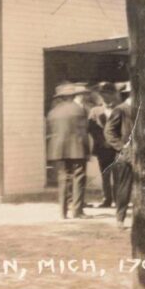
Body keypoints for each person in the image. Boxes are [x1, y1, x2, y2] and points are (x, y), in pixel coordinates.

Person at [46, 82, 90, 220]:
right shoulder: (79, 110)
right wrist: (87, 149)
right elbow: (84, 131)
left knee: (63, 178)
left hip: (58, 149)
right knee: (79, 178)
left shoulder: (52, 112)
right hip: (77, 148)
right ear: (73, 96)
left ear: (61, 97)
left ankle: (62, 212)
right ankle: (77, 211)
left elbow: (49, 132)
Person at [105, 82, 135, 229]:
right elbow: (109, 132)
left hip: (143, 153)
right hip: (125, 154)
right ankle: (120, 219)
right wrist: (122, 147)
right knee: (124, 187)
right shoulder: (120, 110)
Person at [88, 83, 118, 208]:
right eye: (103, 94)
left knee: (118, 173)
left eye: (108, 94)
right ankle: (107, 199)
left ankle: (118, 199)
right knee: (105, 174)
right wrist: (102, 141)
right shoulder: (95, 111)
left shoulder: (120, 109)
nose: (105, 97)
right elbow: (92, 129)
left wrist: (117, 142)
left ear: (113, 94)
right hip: (103, 148)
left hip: (117, 147)